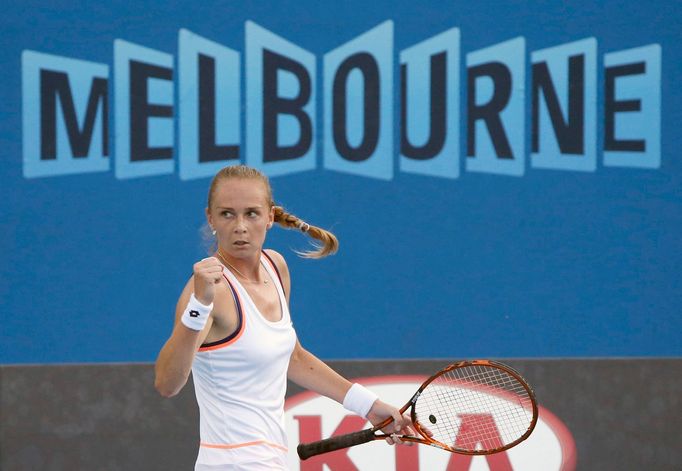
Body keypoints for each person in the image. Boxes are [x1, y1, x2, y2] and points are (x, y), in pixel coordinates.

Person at [155, 165, 413, 470]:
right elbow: (167, 383)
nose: (240, 226)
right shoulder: (210, 292)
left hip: (271, 460)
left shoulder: (275, 267)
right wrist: (199, 305)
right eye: (227, 214)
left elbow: (292, 357)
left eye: (251, 213)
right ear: (211, 218)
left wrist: (368, 406)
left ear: (270, 217)